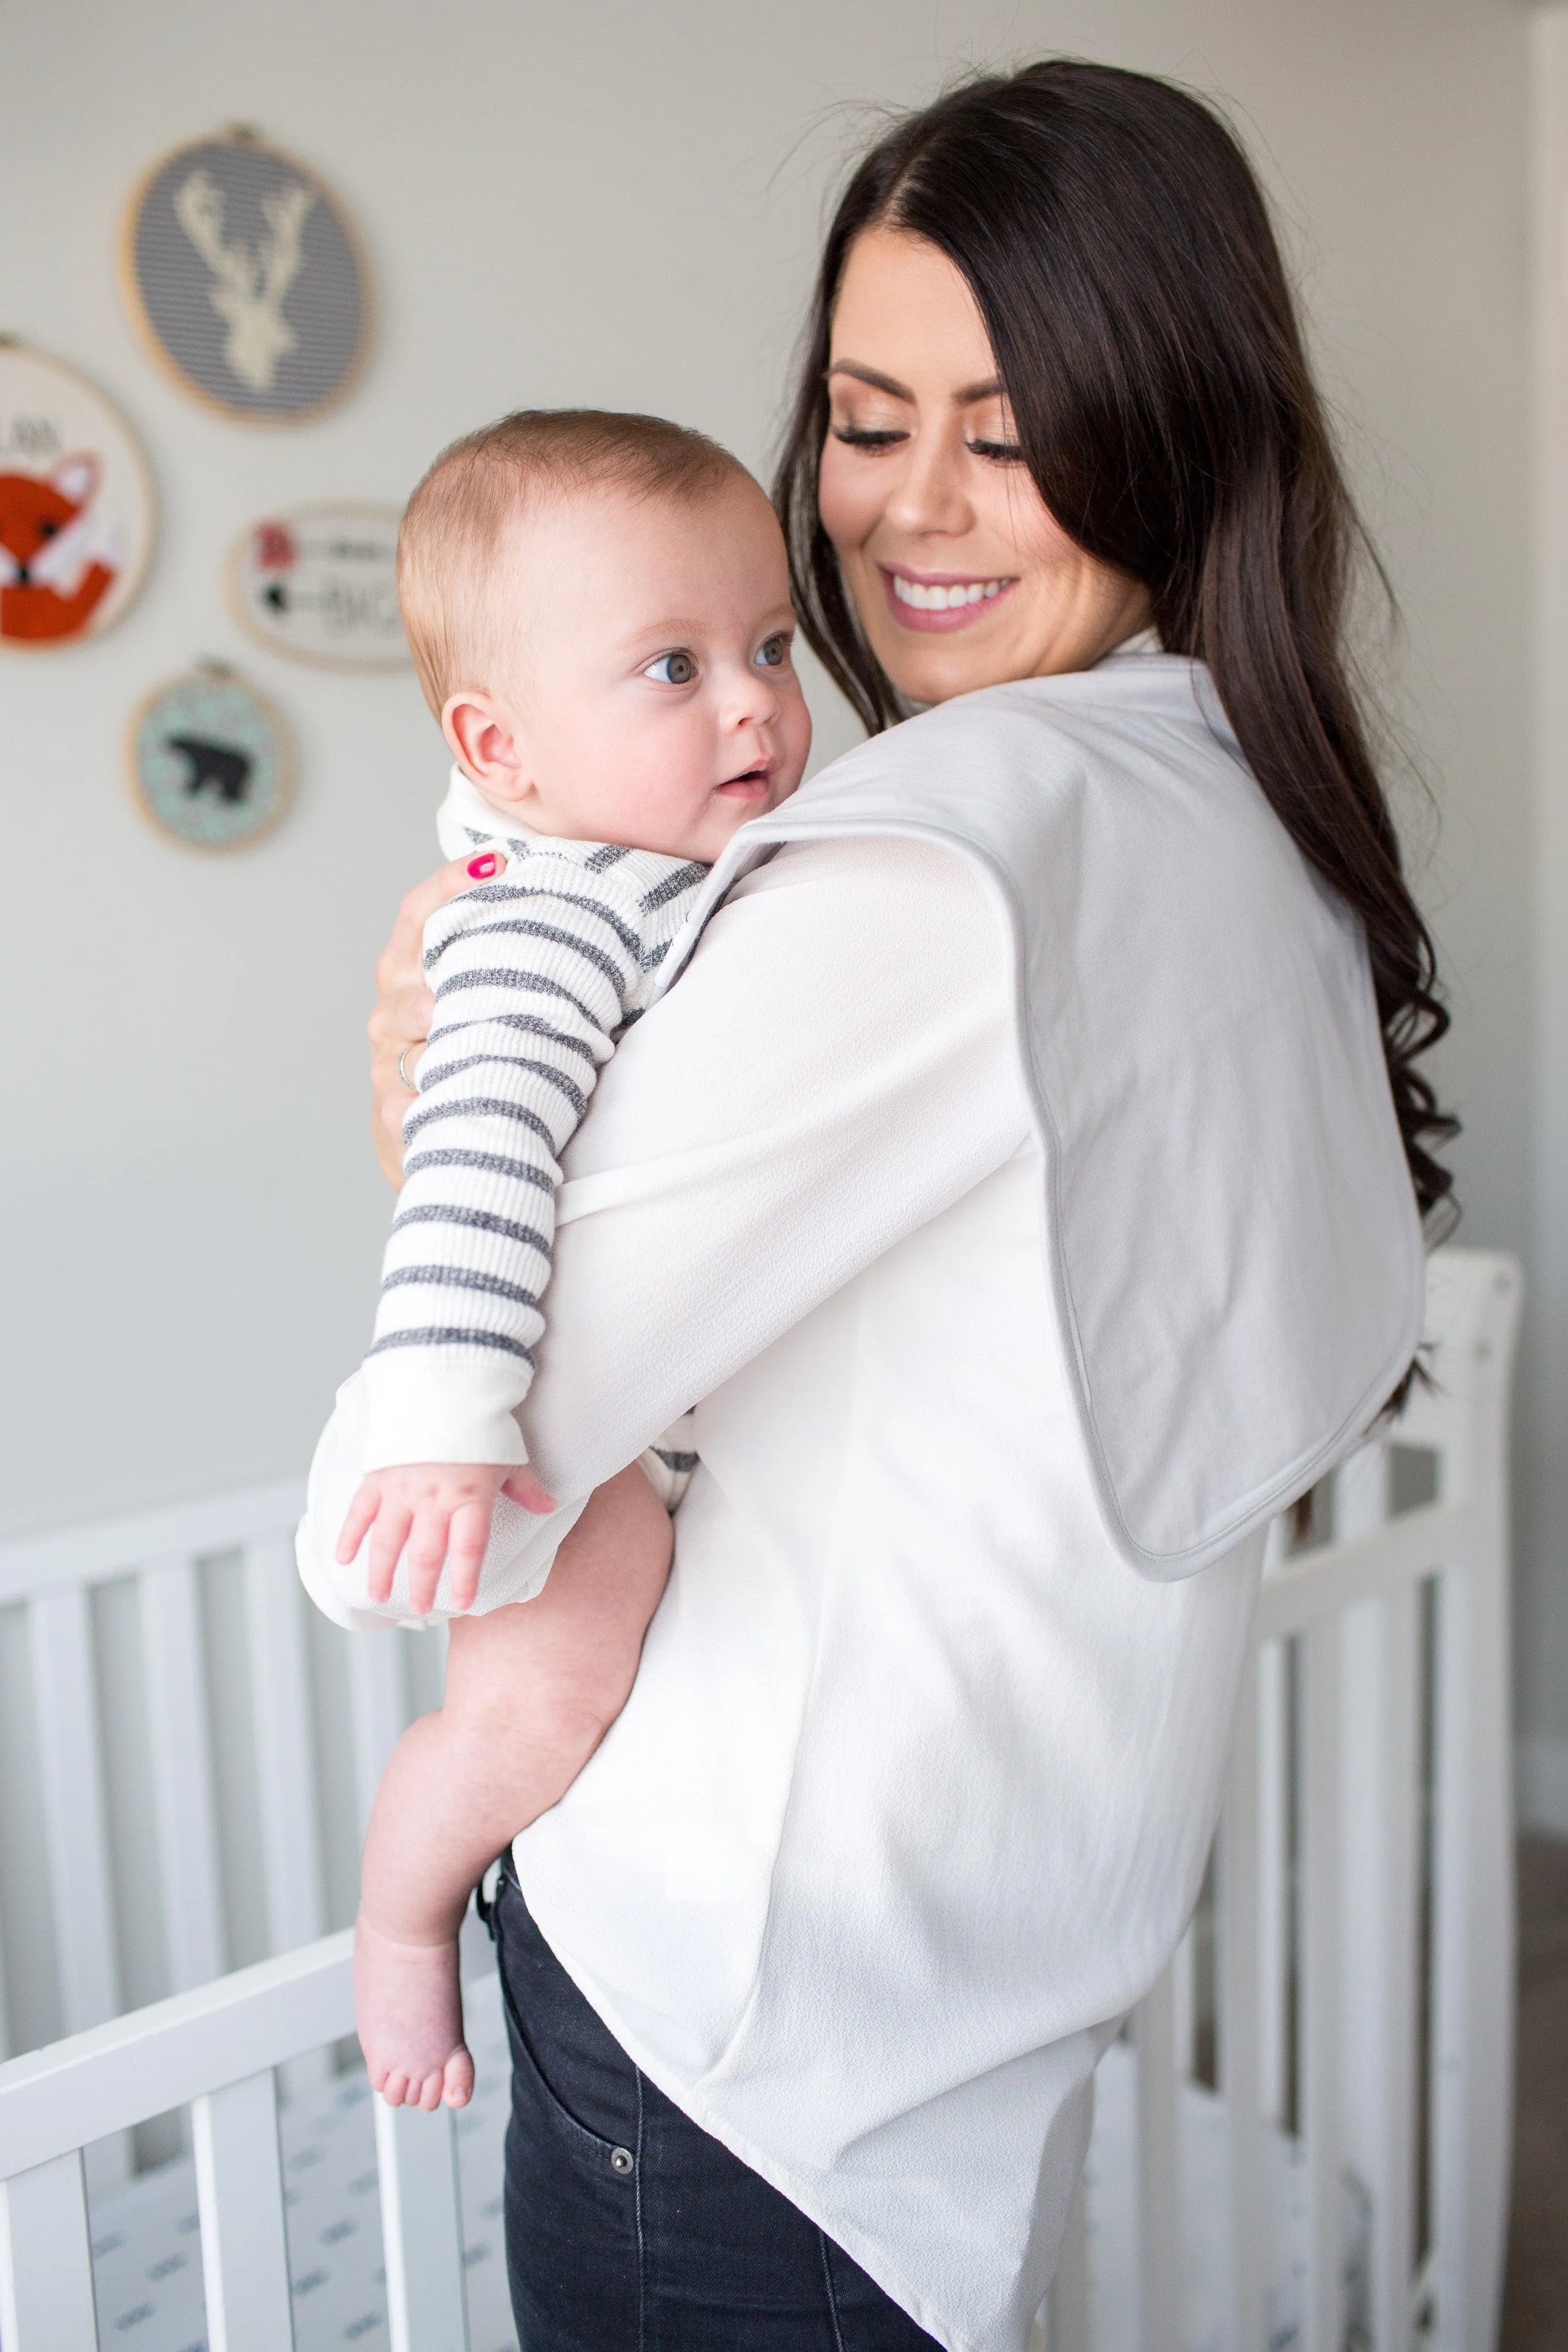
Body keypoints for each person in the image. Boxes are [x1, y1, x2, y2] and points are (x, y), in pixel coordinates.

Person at [302, 58, 1453, 2352]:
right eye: (862, 411)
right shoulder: (1250, 812)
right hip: (972, 1995)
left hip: (735, 2036)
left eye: (1011, 427)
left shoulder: (935, 862)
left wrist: (409, 1108)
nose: (911, 507)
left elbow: (399, 1512)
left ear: (1176, 424)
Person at [303, 410, 811, 2112]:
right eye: (672, 667)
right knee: (541, 1709)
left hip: (610, 1415)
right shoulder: (546, 918)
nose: (750, 700)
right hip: (510, 1436)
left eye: (769, 646)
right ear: (498, 745)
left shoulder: (675, 875)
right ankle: (402, 1923)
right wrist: (446, 1426)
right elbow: (474, 1166)